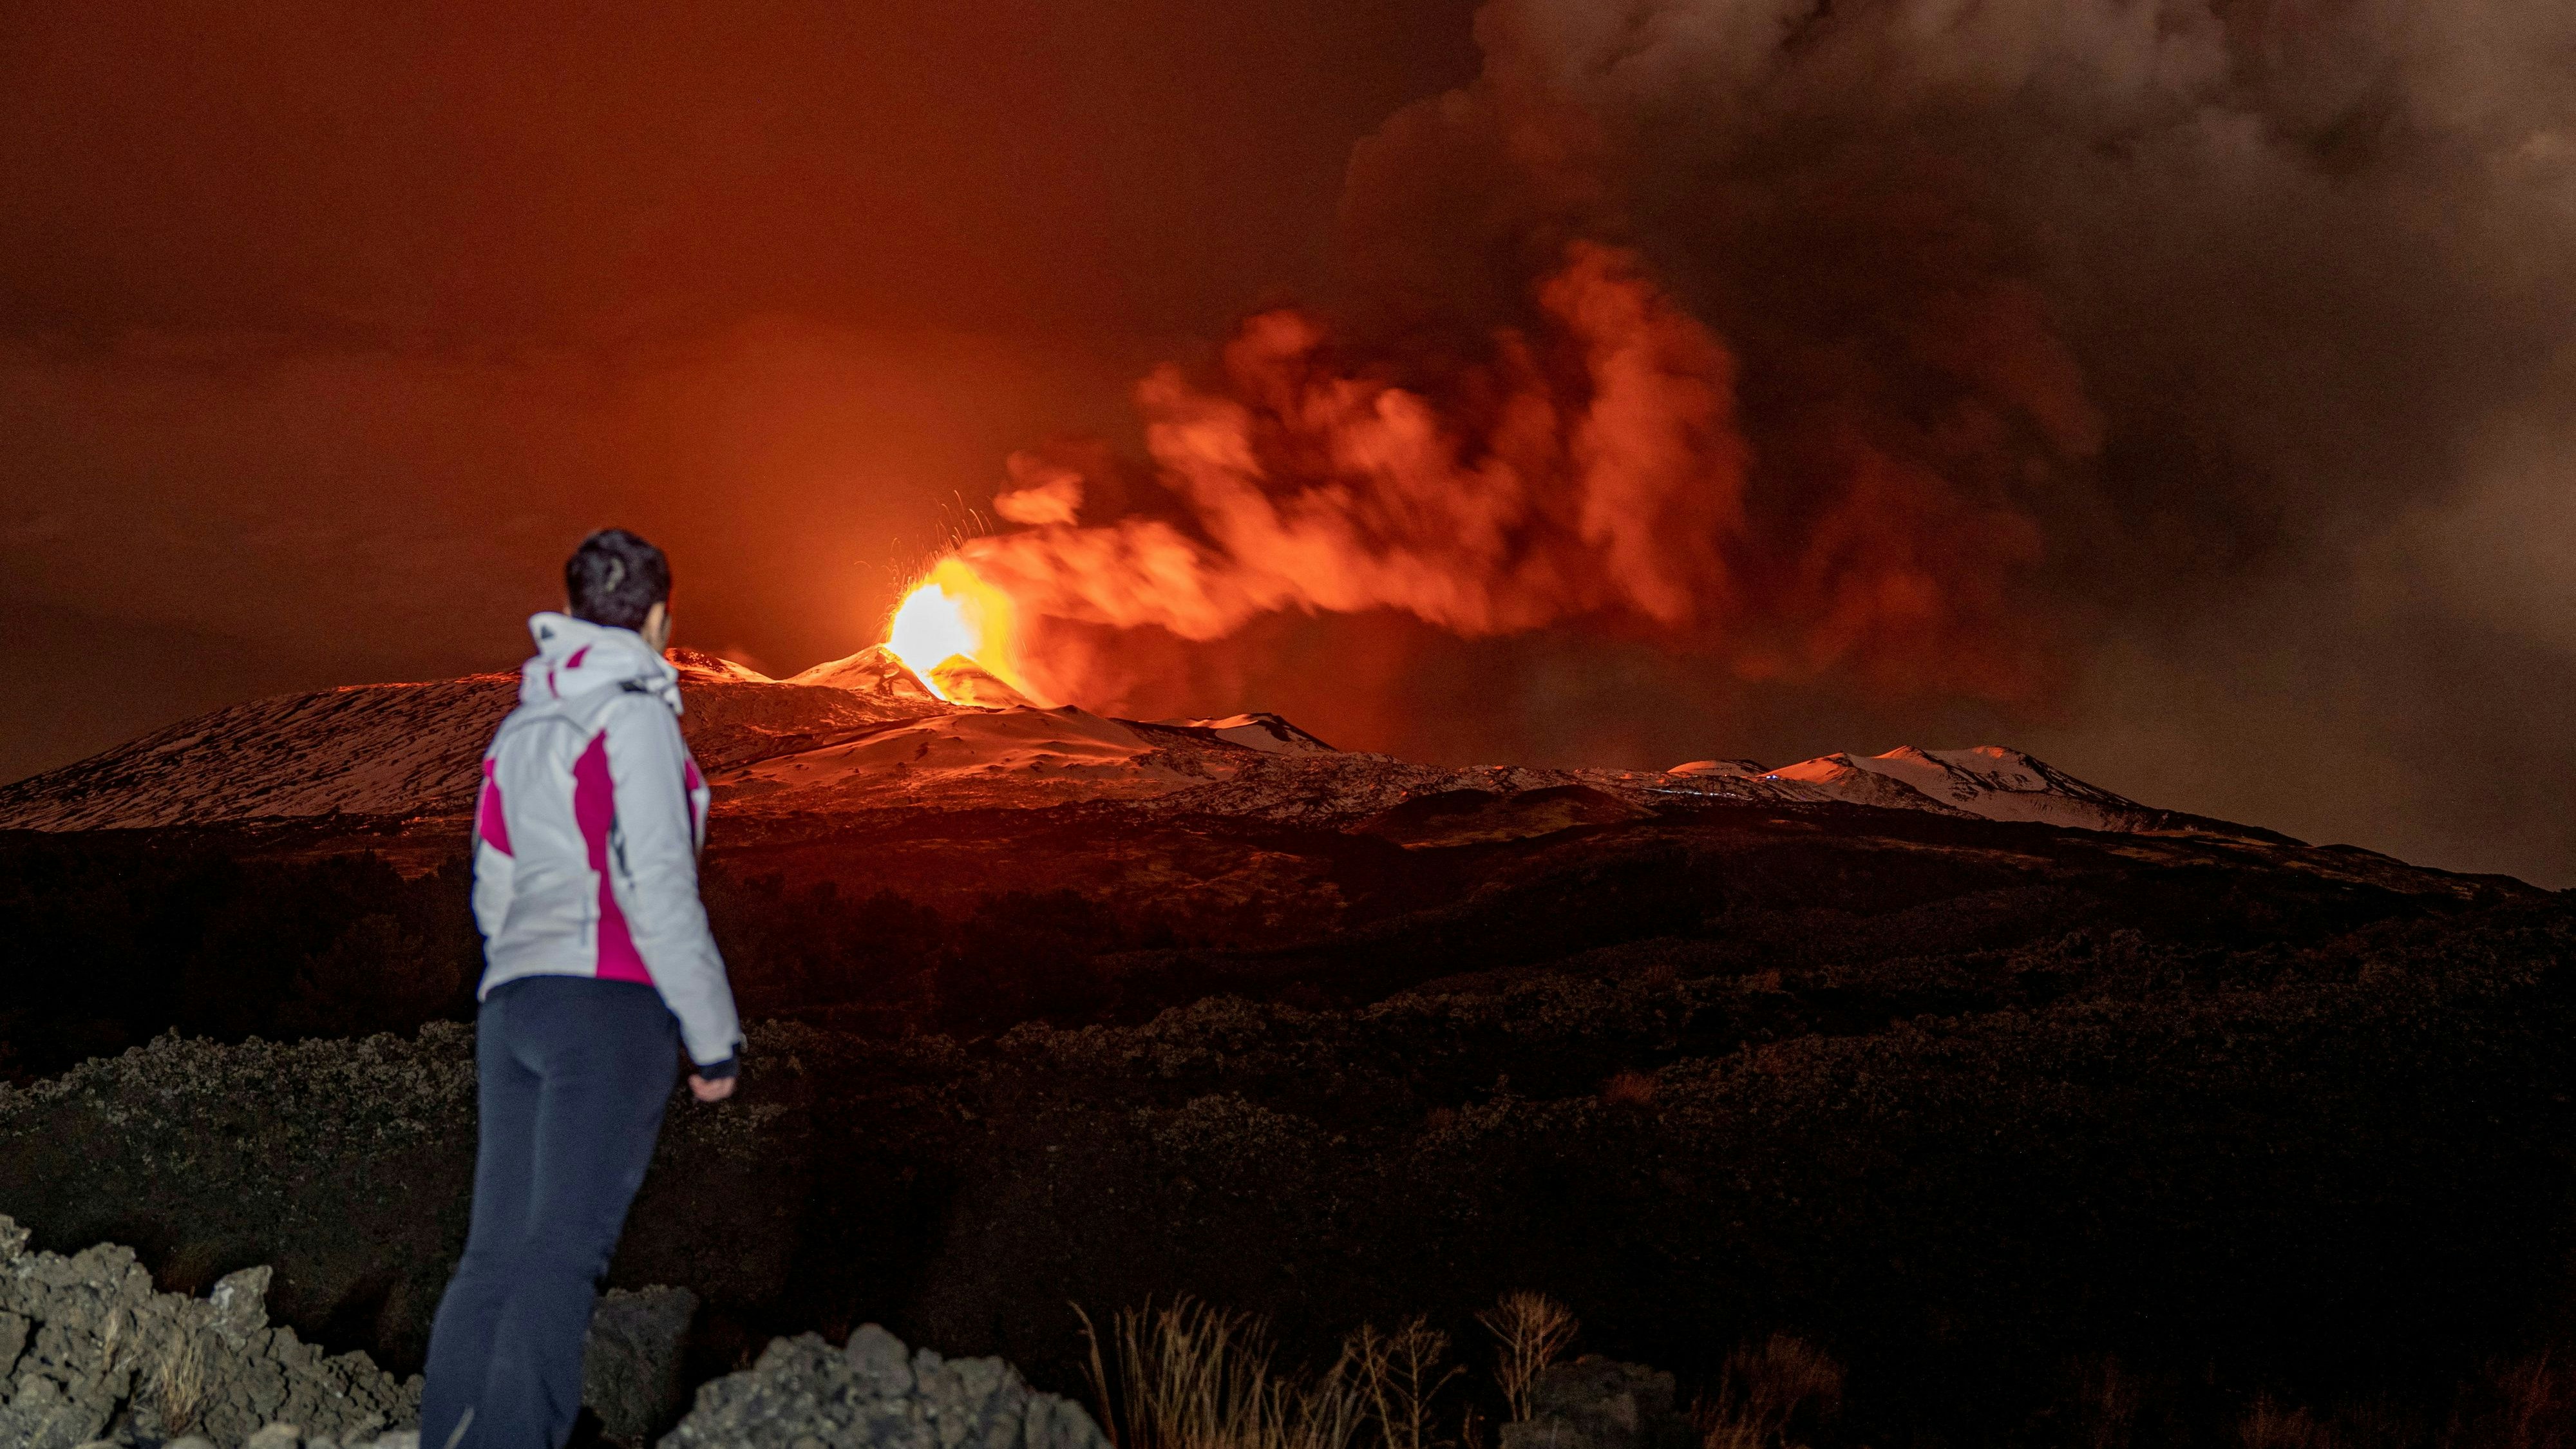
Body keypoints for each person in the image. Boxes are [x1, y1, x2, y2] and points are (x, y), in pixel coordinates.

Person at [421, 527, 743, 1449]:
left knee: (494, 1254)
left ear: (569, 610)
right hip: (607, 1006)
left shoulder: (519, 729)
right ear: (660, 619)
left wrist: (526, 966)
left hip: (514, 1005)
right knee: (563, 1257)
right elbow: (661, 886)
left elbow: (492, 884)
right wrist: (712, 1038)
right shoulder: (636, 718)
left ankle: (449, 1436)